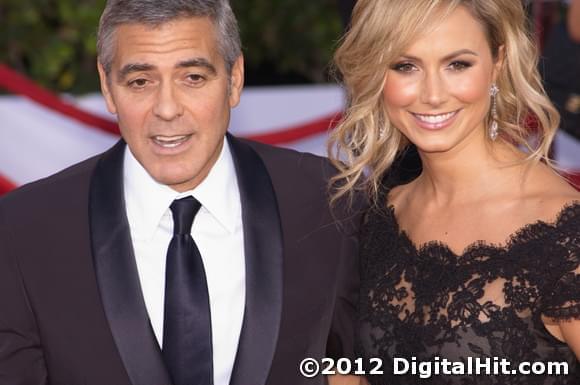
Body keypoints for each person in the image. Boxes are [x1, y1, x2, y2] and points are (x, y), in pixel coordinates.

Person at [0, 1, 362, 384]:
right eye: (140, 81)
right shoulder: (24, 230)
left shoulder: (332, 202)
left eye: (192, 77)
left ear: (234, 78)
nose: (167, 109)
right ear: (107, 87)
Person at [328, 0, 580, 384]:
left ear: (497, 62)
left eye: (457, 64)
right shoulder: (376, 216)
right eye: (405, 66)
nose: (432, 94)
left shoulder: (565, 233)